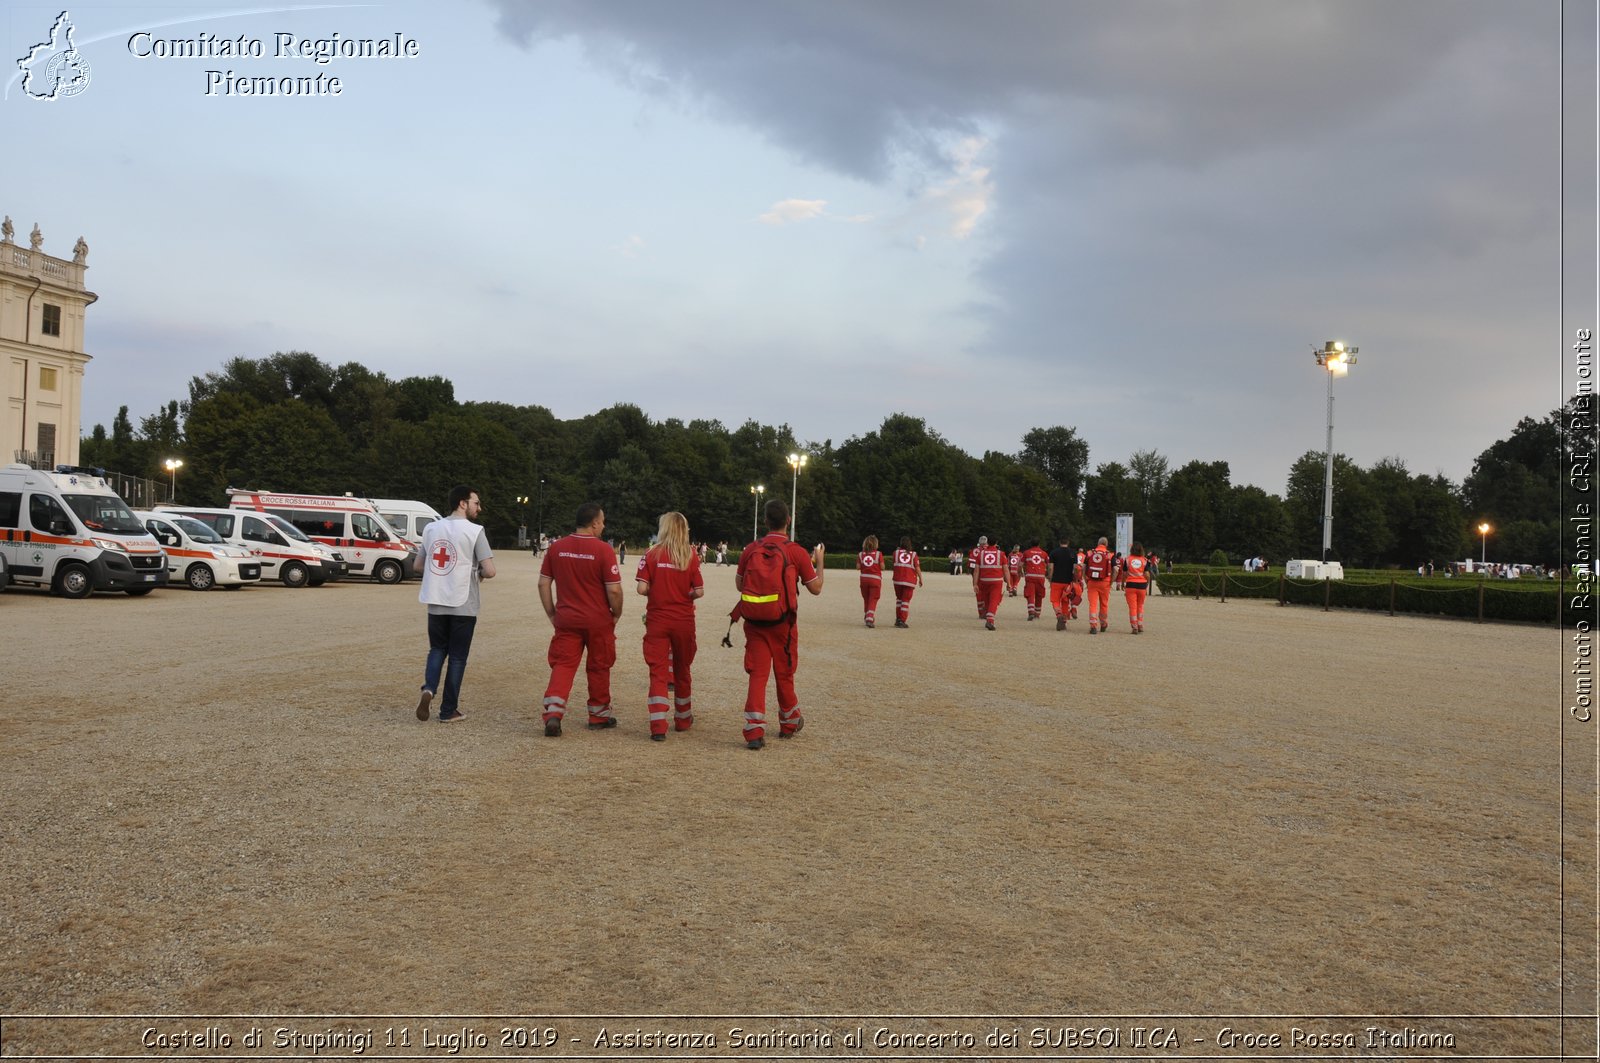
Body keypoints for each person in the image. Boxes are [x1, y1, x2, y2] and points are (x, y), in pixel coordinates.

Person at [736, 499, 824, 750]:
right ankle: (789, 721)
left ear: (765, 521)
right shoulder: (795, 551)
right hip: (783, 623)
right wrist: (820, 561)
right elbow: (815, 588)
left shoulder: (751, 549)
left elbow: (740, 585)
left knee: (758, 674)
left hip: (754, 622)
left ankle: (753, 730)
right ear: (788, 521)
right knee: (784, 673)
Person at [538, 503, 624, 736]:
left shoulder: (557, 548)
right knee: (599, 666)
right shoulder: (604, 550)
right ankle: (598, 715)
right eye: (602, 521)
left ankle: (554, 712)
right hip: (598, 620)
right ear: (594, 522)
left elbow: (543, 583)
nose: (604, 525)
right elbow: (614, 590)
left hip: (567, 619)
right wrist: (616, 613)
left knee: (563, 665)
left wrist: (552, 614)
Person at [415, 486, 495, 723]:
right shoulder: (474, 531)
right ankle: (448, 710)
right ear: (463, 503)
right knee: (458, 657)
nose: (479, 508)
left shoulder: (431, 528)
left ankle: (429, 688)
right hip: (463, 603)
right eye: (476, 503)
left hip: (436, 600)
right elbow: (490, 571)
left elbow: (419, 566)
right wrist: (477, 570)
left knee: (437, 649)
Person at [636, 511, 704, 741]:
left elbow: (641, 589)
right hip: (683, 620)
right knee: (682, 669)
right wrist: (685, 594)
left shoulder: (651, 554)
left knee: (658, 671)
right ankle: (683, 719)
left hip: (657, 619)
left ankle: (658, 725)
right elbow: (699, 591)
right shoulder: (690, 555)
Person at [1117, 541, 1153, 634]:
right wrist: (1147, 583)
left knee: (1132, 607)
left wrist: (1123, 583)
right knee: (1140, 606)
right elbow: (1147, 574)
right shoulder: (1144, 560)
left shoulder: (1127, 559)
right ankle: (1140, 624)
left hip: (1131, 585)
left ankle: (1134, 626)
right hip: (1142, 585)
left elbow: (1124, 574)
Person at [971, 535, 1006, 630]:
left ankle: (985, 614)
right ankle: (990, 620)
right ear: (996, 543)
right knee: (994, 600)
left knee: (986, 600)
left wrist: (975, 583)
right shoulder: (1001, 554)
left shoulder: (980, 553)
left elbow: (976, 570)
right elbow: (1006, 570)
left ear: (987, 542)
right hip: (996, 580)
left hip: (983, 580)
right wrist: (1009, 583)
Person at [1046, 534, 1080, 631]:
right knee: (1065, 601)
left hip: (1056, 580)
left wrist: (1050, 577)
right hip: (1068, 581)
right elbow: (1076, 569)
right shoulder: (1073, 553)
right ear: (1068, 543)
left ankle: (1058, 614)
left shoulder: (1054, 553)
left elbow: (1051, 567)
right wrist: (1075, 579)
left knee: (1055, 600)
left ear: (1059, 542)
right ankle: (1064, 621)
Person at [1082, 536, 1115, 634]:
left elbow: (1083, 568)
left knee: (1093, 604)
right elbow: (1116, 570)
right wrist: (1111, 582)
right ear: (1106, 544)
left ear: (1098, 543)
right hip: (1105, 582)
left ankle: (1093, 626)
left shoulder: (1089, 553)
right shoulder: (1110, 555)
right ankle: (1103, 623)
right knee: (1104, 604)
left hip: (1092, 581)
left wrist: (1086, 579)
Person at [890, 537, 923, 628]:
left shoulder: (895, 553)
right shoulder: (913, 554)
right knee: (905, 601)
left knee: (899, 600)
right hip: (909, 581)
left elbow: (894, 563)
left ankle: (897, 619)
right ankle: (902, 620)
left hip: (897, 580)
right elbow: (917, 568)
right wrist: (920, 578)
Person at [856, 535, 884, 628]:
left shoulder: (860, 554)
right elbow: (882, 567)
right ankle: (869, 618)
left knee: (866, 599)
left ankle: (867, 615)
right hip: (875, 579)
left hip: (864, 579)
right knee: (873, 599)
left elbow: (858, 567)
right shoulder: (878, 554)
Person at [1021, 539, 1049, 621]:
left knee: (1030, 594)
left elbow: (1020, 565)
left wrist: (1021, 572)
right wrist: (1048, 574)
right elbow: (1049, 565)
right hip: (1040, 577)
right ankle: (1037, 613)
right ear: (1039, 544)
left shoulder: (1026, 553)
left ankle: (1031, 611)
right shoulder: (1044, 553)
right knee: (1039, 595)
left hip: (1030, 576)